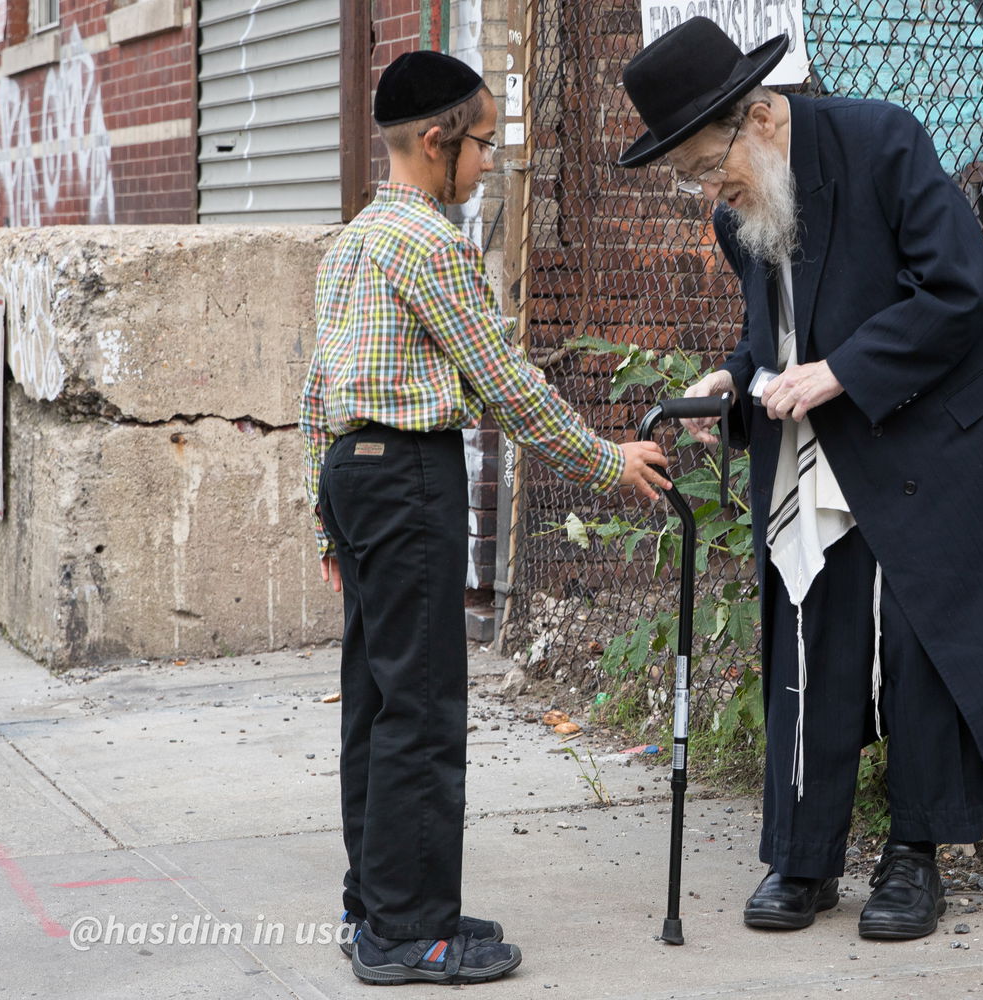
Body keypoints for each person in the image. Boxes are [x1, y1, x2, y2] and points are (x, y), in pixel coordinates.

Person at [618, 18, 983, 940]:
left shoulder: (882, 139)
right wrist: (733, 374)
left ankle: (915, 855)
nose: (707, 191)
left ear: (760, 116)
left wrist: (840, 370)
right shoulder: (744, 211)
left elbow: (959, 288)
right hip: (835, 412)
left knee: (919, 626)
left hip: (952, 408)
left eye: (704, 166)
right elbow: (777, 330)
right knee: (812, 613)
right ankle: (803, 855)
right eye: (689, 177)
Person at [299, 50, 671, 985]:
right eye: (482, 145)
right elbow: (503, 384)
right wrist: (606, 459)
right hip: (410, 477)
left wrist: (324, 520)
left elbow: (313, 397)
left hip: (353, 472)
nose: (488, 164)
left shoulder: (352, 241)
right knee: (424, 707)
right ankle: (411, 933)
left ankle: (378, 907)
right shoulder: (432, 246)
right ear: (437, 142)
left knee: (379, 700)